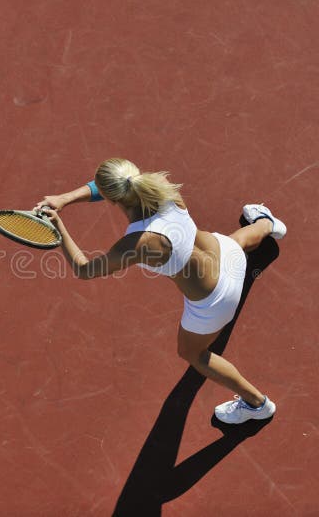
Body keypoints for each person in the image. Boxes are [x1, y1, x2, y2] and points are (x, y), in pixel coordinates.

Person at [35, 158, 286, 424]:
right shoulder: (163, 187)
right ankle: (266, 224)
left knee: (193, 354)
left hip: (217, 303)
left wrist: (57, 225)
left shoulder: (137, 243)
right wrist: (64, 198)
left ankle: (257, 405)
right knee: (238, 241)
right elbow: (111, 186)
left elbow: (84, 269)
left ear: (111, 199)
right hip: (230, 257)